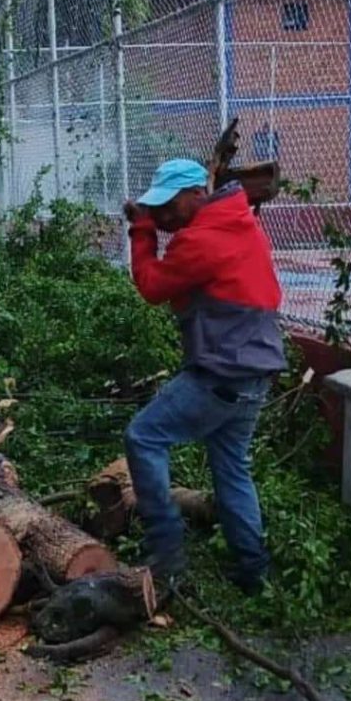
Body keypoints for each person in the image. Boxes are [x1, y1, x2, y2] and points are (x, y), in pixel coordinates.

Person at [123, 158, 285, 594]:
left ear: (198, 194)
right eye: (159, 208)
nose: (166, 216)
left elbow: (153, 287)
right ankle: (254, 574)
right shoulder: (237, 221)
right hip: (255, 373)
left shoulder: (203, 239)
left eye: (170, 206)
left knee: (143, 437)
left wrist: (142, 231)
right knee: (232, 469)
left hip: (223, 374)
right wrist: (154, 221)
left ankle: (167, 554)